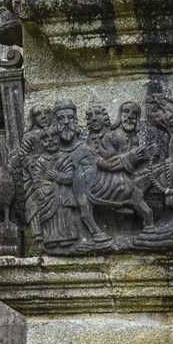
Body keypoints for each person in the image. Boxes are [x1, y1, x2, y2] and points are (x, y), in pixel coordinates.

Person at [88, 101, 158, 231]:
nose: (130, 116)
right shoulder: (110, 137)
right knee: (127, 187)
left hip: (128, 175)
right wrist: (130, 158)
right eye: (126, 111)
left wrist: (148, 156)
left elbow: (137, 164)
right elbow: (103, 161)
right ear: (120, 115)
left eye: (134, 114)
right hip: (109, 176)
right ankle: (121, 205)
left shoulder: (135, 139)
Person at [53, 99, 112, 245]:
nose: (66, 122)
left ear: (76, 121)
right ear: (55, 124)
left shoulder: (85, 149)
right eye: (61, 118)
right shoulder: (52, 153)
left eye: (70, 118)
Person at [23, 126, 80, 250]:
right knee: (49, 220)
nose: (50, 141)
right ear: (42, 143)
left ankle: (68, 237)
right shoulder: (41, 161)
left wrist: (57, 176)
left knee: (64, 216)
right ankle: (50, 238)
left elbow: (69, 178)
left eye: (53, 137)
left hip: (63, 196)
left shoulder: (64, 158)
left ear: (58, 139)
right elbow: (36, 178)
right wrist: (39, 189)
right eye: (46, 139)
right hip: (47, 195)